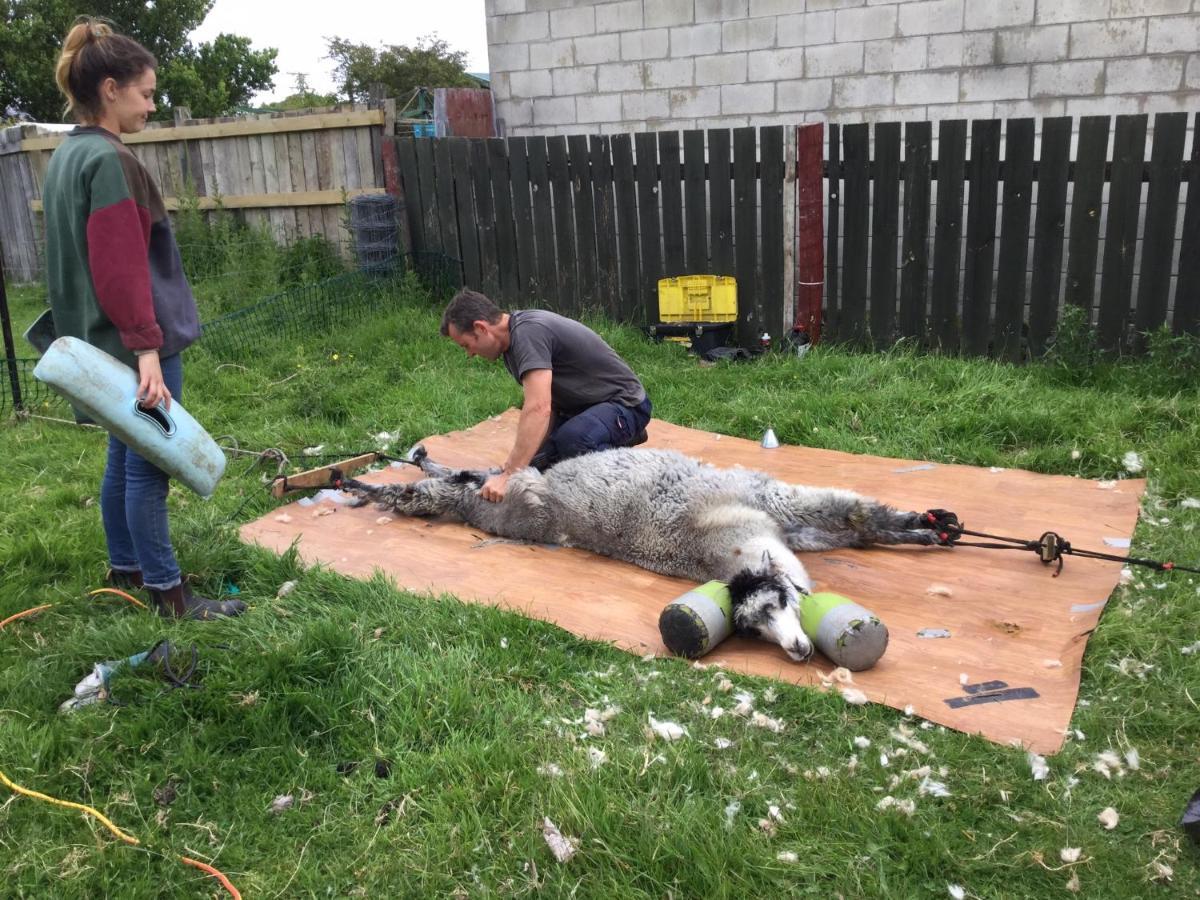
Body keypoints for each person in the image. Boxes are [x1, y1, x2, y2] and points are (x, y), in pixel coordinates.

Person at [42, 18, 243, 620]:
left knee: (122, 458)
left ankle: (125, 570)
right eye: (146, 94)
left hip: (95, 345)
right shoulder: (109, 161)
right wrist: (147, 349)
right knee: (152, 466)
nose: (151, 107)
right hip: (132, 345)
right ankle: (169, 594)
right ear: (110, 88)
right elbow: (120, 266)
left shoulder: (66, 156)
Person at [440, 289, 652, 502]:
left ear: (481, 328)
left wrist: (509, 475)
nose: (469, 354)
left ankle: (635, 485)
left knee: (574, 441)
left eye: (467, 345)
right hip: (584, 408)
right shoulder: (511, 343)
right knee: (540, 463)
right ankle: (616, 440)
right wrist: (524, 461)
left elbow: (538, 408)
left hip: (626, 404)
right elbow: (550, 404)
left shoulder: (528, 334)